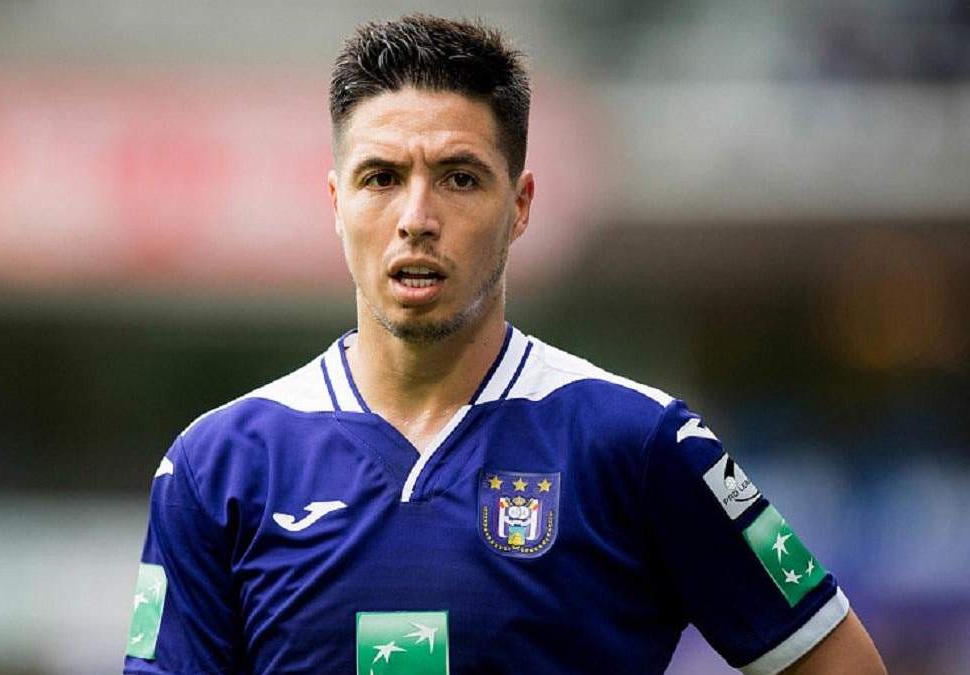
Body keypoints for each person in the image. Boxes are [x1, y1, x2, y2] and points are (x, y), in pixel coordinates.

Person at [124, 14, 886, 675]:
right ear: (336, 202)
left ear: (519, 206)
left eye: (459, 178)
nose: (416, 217)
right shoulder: (215, 466)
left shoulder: (637, 441)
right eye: (381, 177)